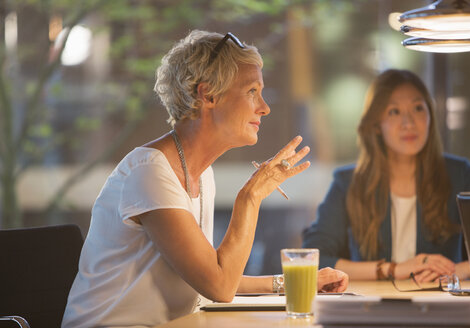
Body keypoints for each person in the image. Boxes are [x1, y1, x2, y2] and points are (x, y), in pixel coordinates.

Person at [62, 30, 348, 328]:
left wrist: (293, 282)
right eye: (252, 91)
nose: (264, 107)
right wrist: (251, 196)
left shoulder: (201, 172)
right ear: (208, 94)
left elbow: (211, 273)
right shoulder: (149, 171)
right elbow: (219, 287)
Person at [302, 69, 470, 284]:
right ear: (377, 125)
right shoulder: (348, 182)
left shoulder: (458, 173)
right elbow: (313, 259)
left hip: (440, 302)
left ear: (430, 117)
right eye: (394, 112)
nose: (408, 122)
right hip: (373, 305)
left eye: (418, 108)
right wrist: (392, 269)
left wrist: (459, 269)